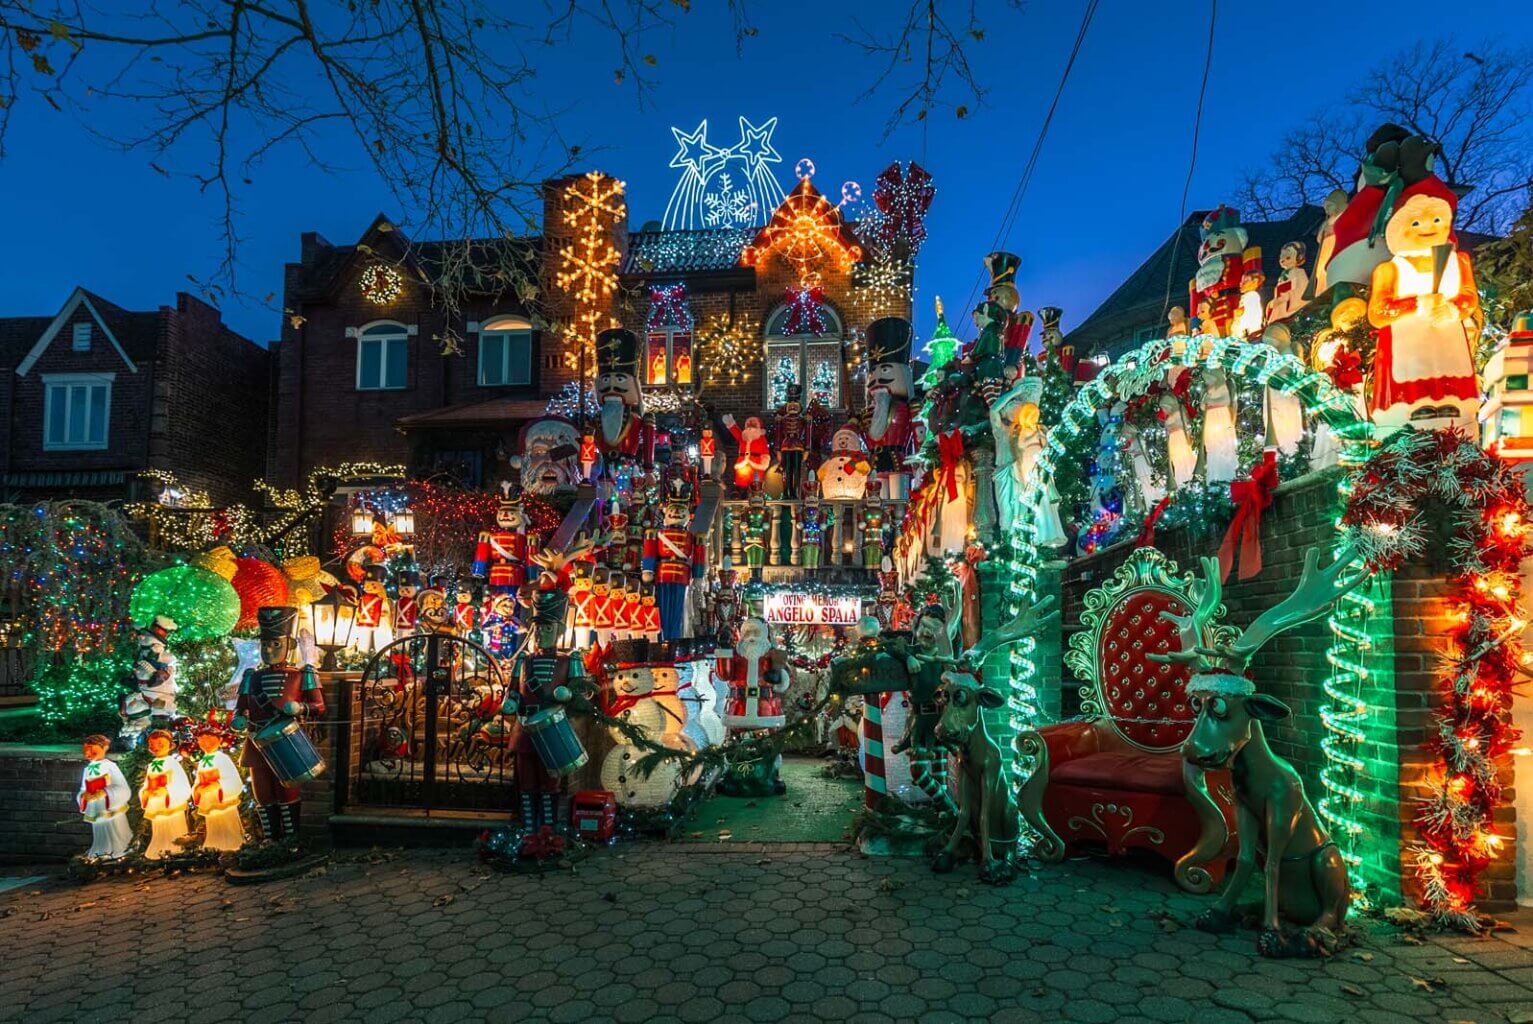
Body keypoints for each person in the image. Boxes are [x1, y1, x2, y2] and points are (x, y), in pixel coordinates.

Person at [138, 729, 192, 859]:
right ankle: (159, 848)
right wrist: (145, 792)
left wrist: (167, 792)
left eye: (160, 744)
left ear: (170, 745)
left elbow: (182, 785)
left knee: (172, 828)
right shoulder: (152, 766)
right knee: (159, 828)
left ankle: (175, 848)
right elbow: (147, 783)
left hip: (170, 804)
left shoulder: (172, 763)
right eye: (152, 745)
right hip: (156, 804)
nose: (155, 747)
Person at [78, 735, 132, 860]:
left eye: (93, 750)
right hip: (96, 806)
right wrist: (84, 796)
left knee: (114, 828)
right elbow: (83, 788)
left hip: (109, 806)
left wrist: (106, 793)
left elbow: (122, 787)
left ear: (104, 748)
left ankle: (120, 849)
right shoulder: (87, 770)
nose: (89, 754)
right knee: (100, 829)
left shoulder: (110, 767)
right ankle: (100, 850)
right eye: (86, 751)